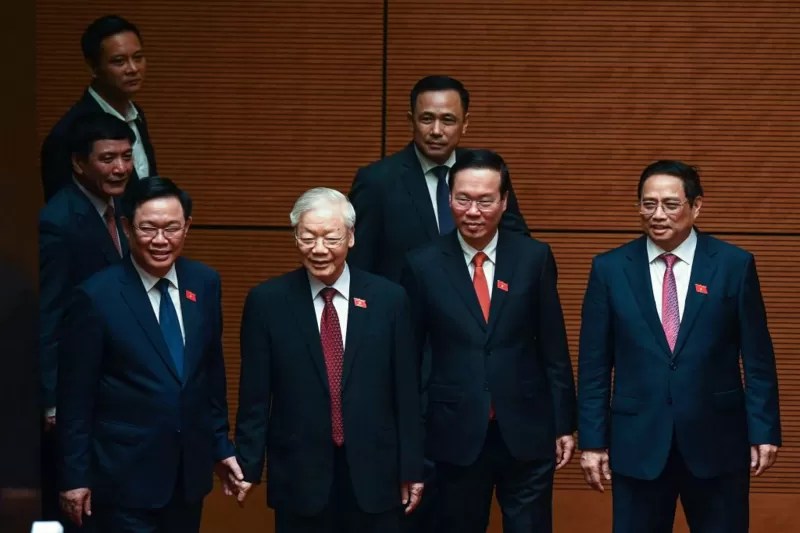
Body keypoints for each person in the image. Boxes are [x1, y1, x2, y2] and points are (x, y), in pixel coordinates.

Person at [578, 160, 781, 533]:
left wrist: (764, 430)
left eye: (670, 204)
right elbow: (594, 365)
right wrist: (592, 442)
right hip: (638, 442)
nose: (658, 215)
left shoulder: (733, 265)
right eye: (648, 204)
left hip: (717, 441)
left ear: (696, 206)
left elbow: (758, 359)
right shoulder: (609, 268)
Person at [400, 149, 576, 533]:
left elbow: (553, 347)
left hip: (527, 427)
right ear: (449, 199)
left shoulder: (534, 258)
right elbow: (409, 359)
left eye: (485, 201)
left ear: (504, 201)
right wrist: (413, 435)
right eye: (463, 199)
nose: (473, 211)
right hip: (453, 432)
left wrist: (564, 423)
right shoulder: (422, 264)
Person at [56, 177, 242, 532]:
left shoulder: (204, 283)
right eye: (148, 228)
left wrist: (220, 444)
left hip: (187, 475)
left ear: (187, 227)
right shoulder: (96, 296)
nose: (160, 240)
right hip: (124, 476)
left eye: (171, 228)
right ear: (127, 228)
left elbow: (209, 374)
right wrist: (74, 476)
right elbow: (75, 397)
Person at [234, 187, 424, 532]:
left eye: (331, 238)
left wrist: (411, 467)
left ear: (350, 237)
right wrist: (248, 465)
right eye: (307, 237)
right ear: (295, 237)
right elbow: (255, 396)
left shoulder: (389, 299)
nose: (319, 249)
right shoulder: (267, 302)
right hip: (299, 474)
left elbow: (406, 392)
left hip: (376, 472)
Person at [38, 112, 136, 528]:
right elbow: (47, 314)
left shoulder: (124, 207)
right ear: (79, 163)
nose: (120, 168)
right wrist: (50, 399)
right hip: (75, 385)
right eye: (107, 158)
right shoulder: (58, 222)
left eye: (127, 156)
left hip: (113, 381)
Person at [348, 75, 528, 283]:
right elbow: (359, 266)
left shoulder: (486, 171)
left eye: (447, 120)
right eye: (427, 119)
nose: (436, 131)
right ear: (411, 121)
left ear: (465, 123)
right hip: (407, 301)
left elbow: (518, 245)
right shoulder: (377, 181)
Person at [40, 15, 157, 201]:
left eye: (138, 58)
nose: (133, 68)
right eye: (119, 61)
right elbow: (63, 212)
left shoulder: (137, 115)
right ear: (93, 68)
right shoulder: (67, 134)